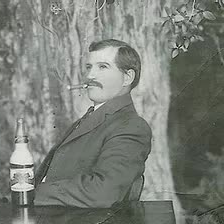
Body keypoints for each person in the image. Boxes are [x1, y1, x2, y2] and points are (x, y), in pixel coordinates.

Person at [34, 39, 152, 208]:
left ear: (127, 77)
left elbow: (103, 192)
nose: (90, 76)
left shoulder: (132, 127)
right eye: (89, 67)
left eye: (102, 67)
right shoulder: (90, 118)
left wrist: (34, 193)